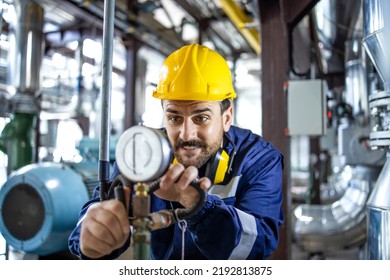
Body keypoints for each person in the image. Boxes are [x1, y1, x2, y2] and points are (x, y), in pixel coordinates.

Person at [68, 43, 284, 260]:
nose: (186, 134)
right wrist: (92, 237)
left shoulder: (259, 161)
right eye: (174, 117)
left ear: (226, 118)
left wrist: (197, 205)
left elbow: (255, 248)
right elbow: (95, 214)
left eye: (201, 118)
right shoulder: (144, 153)